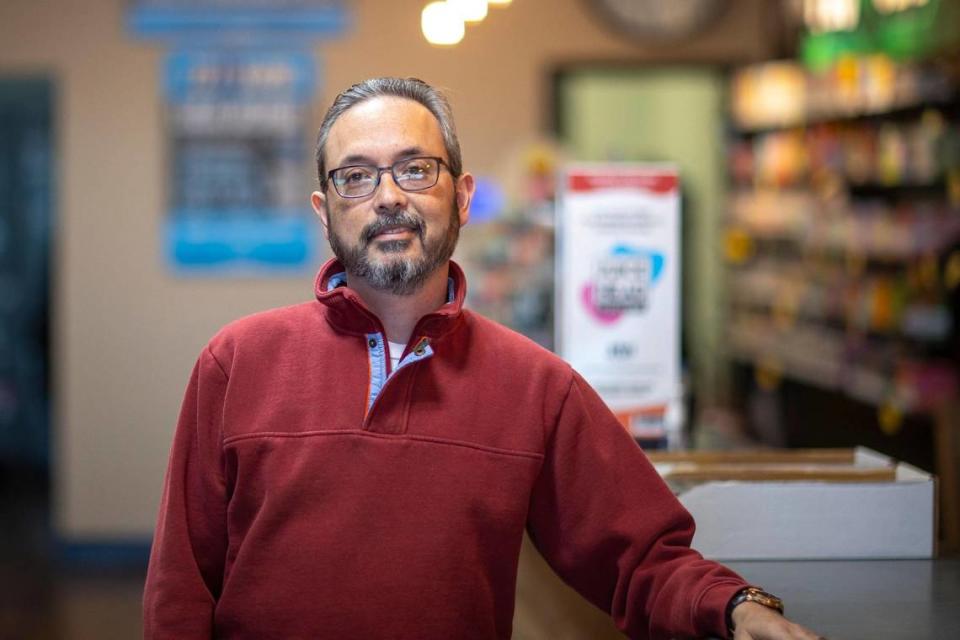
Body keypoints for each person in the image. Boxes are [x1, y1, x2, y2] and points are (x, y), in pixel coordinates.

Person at [143, 77, 824, 640]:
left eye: (416, 168)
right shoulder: (236, 363)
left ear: (461, 197)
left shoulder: (538, 388)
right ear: (325, 211)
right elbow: (180, 588)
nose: (387, 196)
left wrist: (734, 608)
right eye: (356, 177)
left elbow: (642, 558)